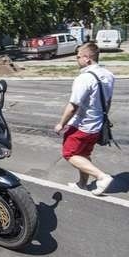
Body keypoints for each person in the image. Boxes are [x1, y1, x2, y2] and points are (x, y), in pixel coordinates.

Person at [53, 42, 115, 196]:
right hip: (96, 126)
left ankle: (102, 177)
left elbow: (73, 106)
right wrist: (100, 119)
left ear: (87, 58)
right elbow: (108, 102)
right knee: (84, 155)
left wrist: (61, 124)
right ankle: (82, 184)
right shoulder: (108, 75)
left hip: (82, 126)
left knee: (70, 154)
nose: (77, 59)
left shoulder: (84, 78)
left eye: (78, 56)